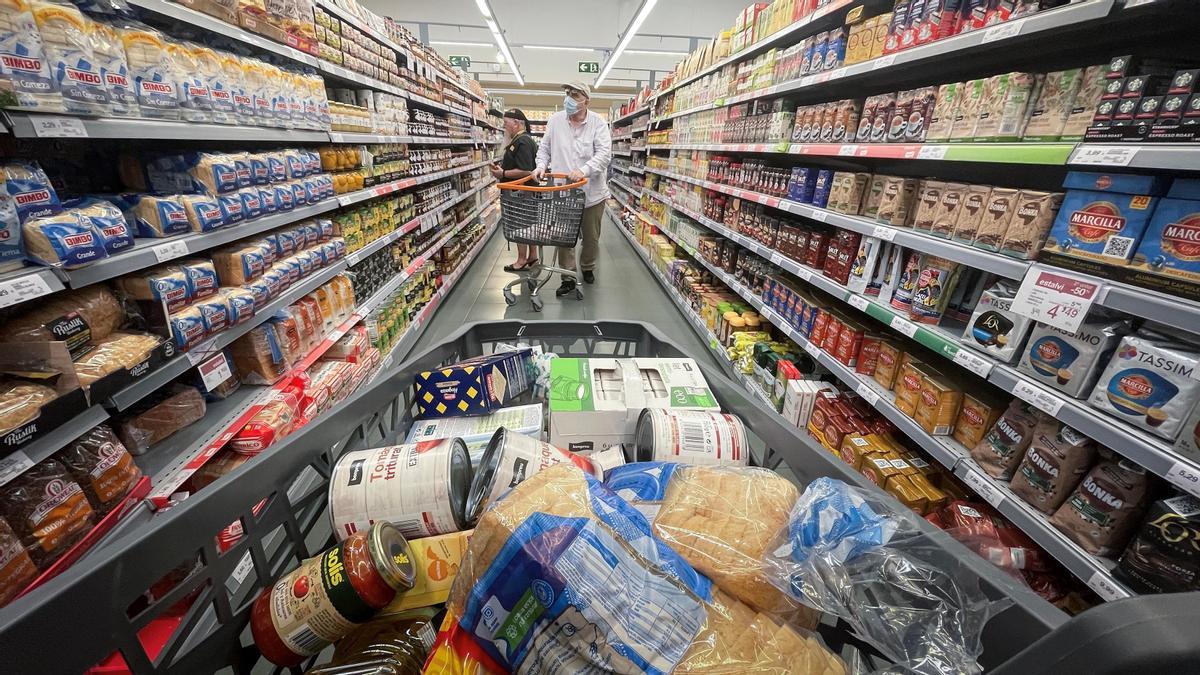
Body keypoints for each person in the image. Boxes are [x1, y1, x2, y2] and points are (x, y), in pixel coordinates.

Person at [531, 81, 612, 297]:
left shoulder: (598, 123)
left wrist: (584, 170)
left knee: (591, 238)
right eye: (568, 94)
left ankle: (587, 267)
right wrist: (540, 166)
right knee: (564, 237)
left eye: (574, 95)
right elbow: (545, 149)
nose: (569, 98)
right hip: (563, 192)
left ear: (586, 100)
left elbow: (604, 154)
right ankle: (567, 277)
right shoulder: (555, 121)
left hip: (592, 193)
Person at [491, 108, 540, 272]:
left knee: (521, 224)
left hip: (521, 193)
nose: (504, 127)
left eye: (506, 123)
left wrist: (502, 173)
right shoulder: (522, 140)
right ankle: (532, 256)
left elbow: (526, 170)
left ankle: (521, 260)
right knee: (529, 224)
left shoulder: (523, 141)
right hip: (524, 192)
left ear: (517, 123)